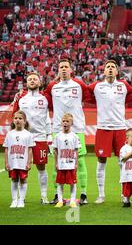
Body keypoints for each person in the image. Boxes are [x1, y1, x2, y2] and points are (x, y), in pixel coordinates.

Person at [88, 60, 132, 204]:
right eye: (107, 67)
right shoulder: (97, 86)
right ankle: (101, 195)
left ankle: (125, 194)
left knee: (123, 161)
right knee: (101, 160)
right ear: (104, 71)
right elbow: (85, 92)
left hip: (120, 128)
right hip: (103, 128)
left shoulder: (123, 85)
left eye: (113, 67)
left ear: (117, 71)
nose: (110, 69)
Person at [44, 59, 91, 205]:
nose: (63, 69)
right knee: (56, 162)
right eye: (61, 67)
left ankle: (83, 194)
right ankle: (58, 195)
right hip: (57, 129)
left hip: (77, 129)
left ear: (71, 69)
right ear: (58, 70)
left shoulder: (79, 84)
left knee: (80, 161)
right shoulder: (52, 86)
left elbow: (88, 97)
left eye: (66, 67)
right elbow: (47, 103)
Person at [13, 72, 52, 204]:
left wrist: (49, 135)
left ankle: (44, 196)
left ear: (40, 83)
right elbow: (15, 117)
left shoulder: (46, 98)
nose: (32, 81)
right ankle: (20, 198)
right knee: (21, 167)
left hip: (40, 138)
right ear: (26, 83)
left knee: (41, 167)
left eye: (35, 79)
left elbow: (47, 118)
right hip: (24, 138)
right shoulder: (21, 98)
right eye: (30, 79)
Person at [4, 111, 34, 208]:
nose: (18, 120)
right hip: (13, 162)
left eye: (20, 118)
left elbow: (30, 150)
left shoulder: (28, 135)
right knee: (14, 179)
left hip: (22, 162)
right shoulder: (10, 134)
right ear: (13, 120)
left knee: (23, 180)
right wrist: (6, 162)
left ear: (24, 121)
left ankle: (21, 200)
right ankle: (14, 200)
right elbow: (6, 148)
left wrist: (29, 162)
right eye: (16, 118)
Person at [53, 113, 80, 208]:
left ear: (71, 123)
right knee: (60, 183)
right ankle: (60, 201)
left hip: (71, 164)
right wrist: (56, 163)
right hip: (61, 164)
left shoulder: (75, 136)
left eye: (67, 121)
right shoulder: (57, 136)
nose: (65, 123)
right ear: (61, 123)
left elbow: (76, 151)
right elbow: (55, 151)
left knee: (72, 183)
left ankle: (72, 201)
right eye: (63, 121)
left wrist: (76, 163)